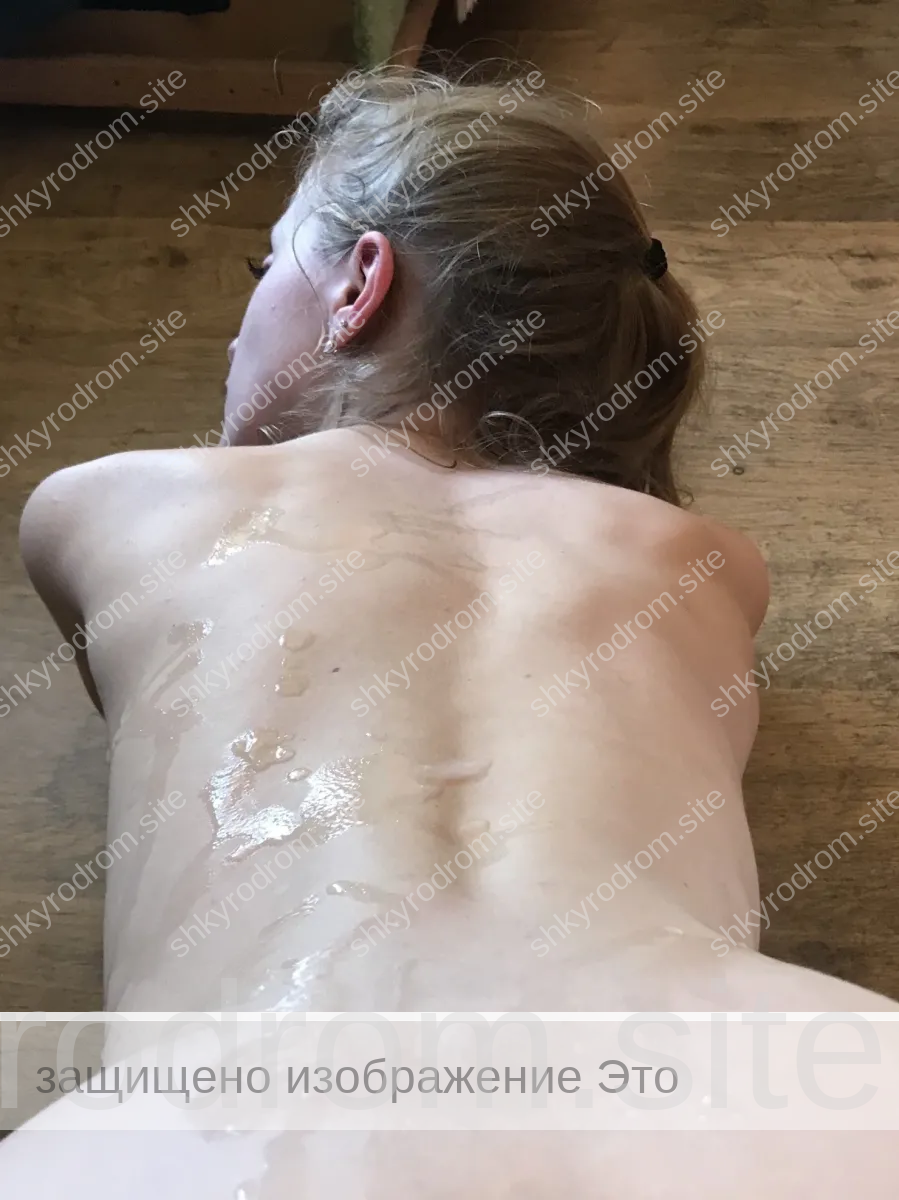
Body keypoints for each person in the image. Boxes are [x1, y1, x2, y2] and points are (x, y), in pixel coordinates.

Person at [5, 66, 897, 1197]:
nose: (236, 327)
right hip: (748, 1075)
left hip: (233, 1096)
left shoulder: (104, 504)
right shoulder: (704, 563)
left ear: (360, 282)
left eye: (266, 266)